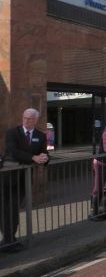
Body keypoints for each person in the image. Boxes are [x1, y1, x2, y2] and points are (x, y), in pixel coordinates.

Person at [2, 108, 49, 252]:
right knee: (5, 209)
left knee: (14, 208)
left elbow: (43, 151)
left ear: (36, 120)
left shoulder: (40, 136)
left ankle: (10, 239)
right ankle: (8, 240)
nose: (26, 120)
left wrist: (45, 158)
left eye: (30, 118)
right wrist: (33, 158)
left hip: (24, 178)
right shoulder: (13, 133)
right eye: (24, 118)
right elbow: (13, 151)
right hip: (7, 177)